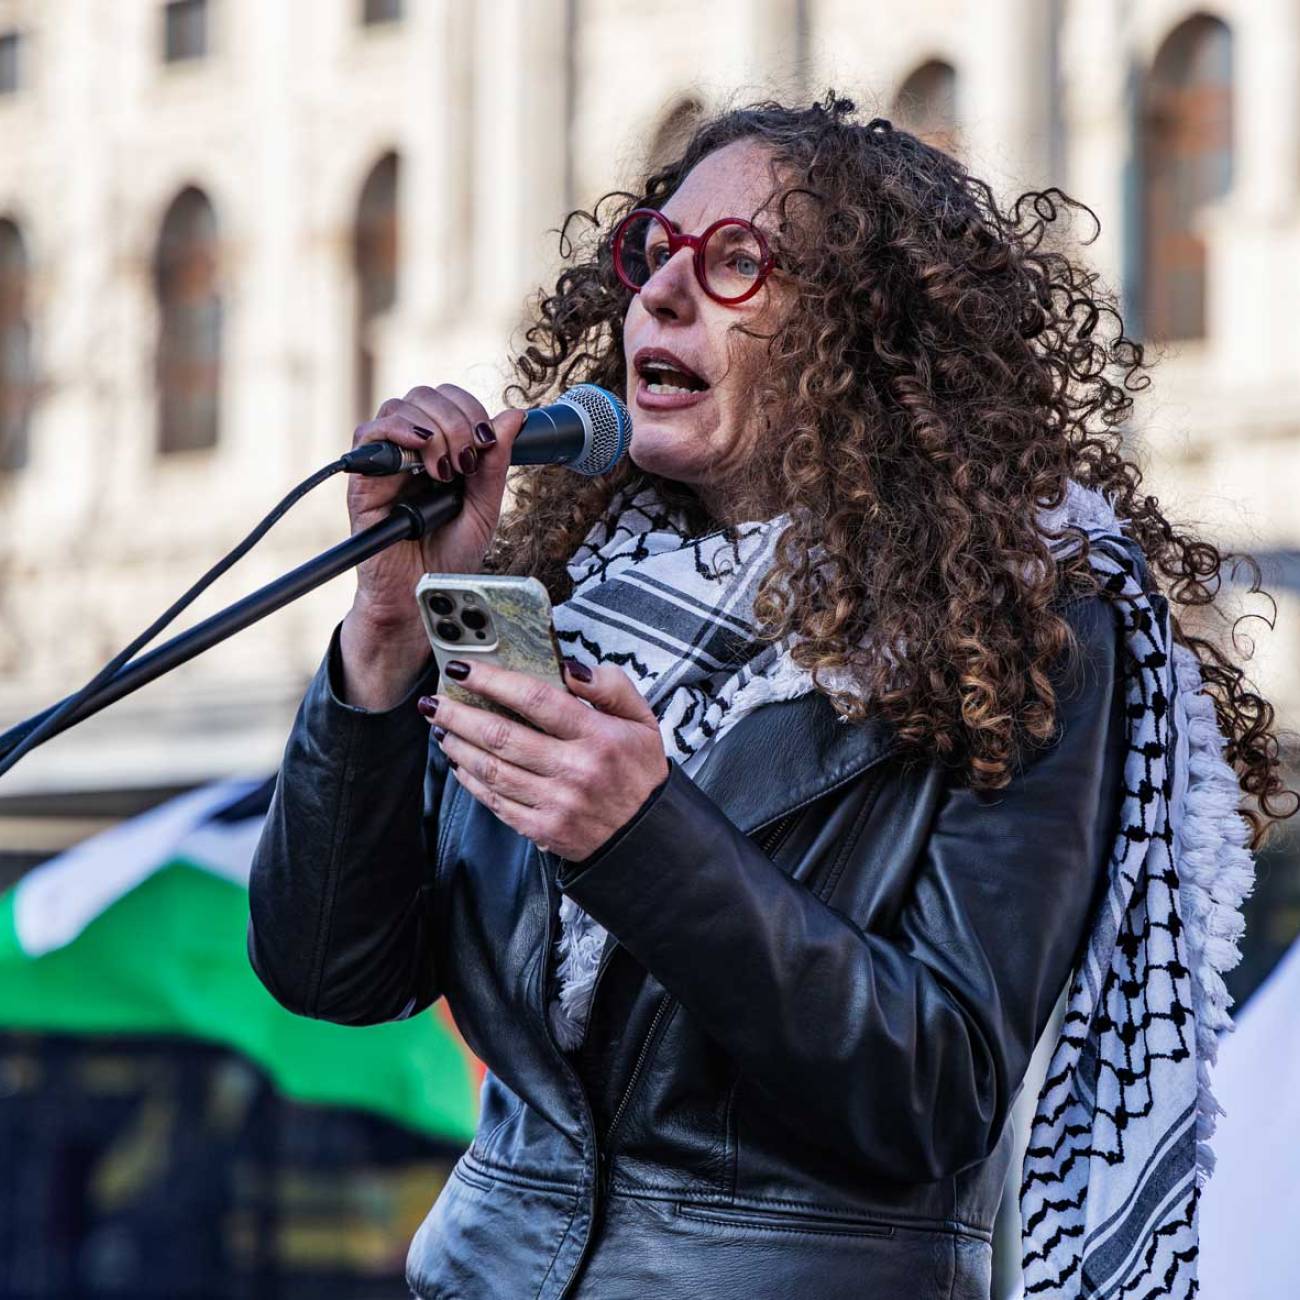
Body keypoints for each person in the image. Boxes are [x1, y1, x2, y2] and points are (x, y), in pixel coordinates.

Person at [247, 93, 1295, 1299]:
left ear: (869, 334)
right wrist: (385, 638)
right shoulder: (559, 595)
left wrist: (641, 835)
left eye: (736, 261)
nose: (662, 294)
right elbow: (331, 971)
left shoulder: (1022, 624)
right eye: (654, 253)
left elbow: (934, 1090)